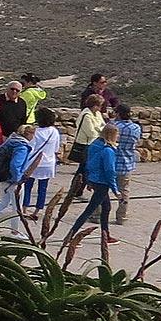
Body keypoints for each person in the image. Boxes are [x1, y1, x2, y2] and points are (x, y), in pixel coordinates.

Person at [50, 94, 109, 228]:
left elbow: (102, 126)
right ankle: (77, 189)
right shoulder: (86, 115)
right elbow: (91, 132)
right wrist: (101, 131)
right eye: (99, 105)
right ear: (94, 105)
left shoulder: (97, 114)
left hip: (93, 144)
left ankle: (77, 189)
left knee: (84, 168)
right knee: (84, 168)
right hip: (86, 145)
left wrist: (100, 129)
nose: (100, 108)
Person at [64, 124, 122, 248]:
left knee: (106, 207)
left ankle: (105, 235)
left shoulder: (95, 144)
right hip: (102, 182)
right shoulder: (108, 150)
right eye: (117, 134)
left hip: (94, 179)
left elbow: (88, 163)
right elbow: (109, 171)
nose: (118, 137)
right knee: (89, 210)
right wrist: (115, 189)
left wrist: (89, 180)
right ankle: (71, 236)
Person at [0, 124, 36, 226]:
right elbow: (15, 165)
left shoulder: (10, 141)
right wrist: (17, 179)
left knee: (3, 203)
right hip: (12, 180)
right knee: (17, 207)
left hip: (2, 177)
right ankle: (15, 232)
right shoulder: (22, 147)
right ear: (28, 134)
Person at [22, 108, 63, 216]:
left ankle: (24, 208)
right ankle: (37, 210)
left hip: (33, 163)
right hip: (48, 162)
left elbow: (30, 147)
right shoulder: (54, 132)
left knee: (27, 187)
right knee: (43, 188)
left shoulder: (35, 132)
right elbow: (56, 148)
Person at [113, 103, 143, 223]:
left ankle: (97, 214)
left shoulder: (114, 126)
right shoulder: (136, 128)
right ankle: (122, 217)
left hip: (112, 162)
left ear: (118, 114)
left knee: (102, 190)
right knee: (124, 191)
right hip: (127, 162)